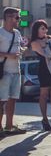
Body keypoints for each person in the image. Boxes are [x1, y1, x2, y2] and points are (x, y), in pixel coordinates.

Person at [0, 7, 26, 135]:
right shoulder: (0, 33)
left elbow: (20, 46)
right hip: (4, 72)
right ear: (8, 17)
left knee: (13, 99)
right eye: (17, 17)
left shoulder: (17, 33)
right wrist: (8, 55)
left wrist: (21, 50)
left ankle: (9, 126)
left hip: (16, 70)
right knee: (2, 100)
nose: (18, 20)